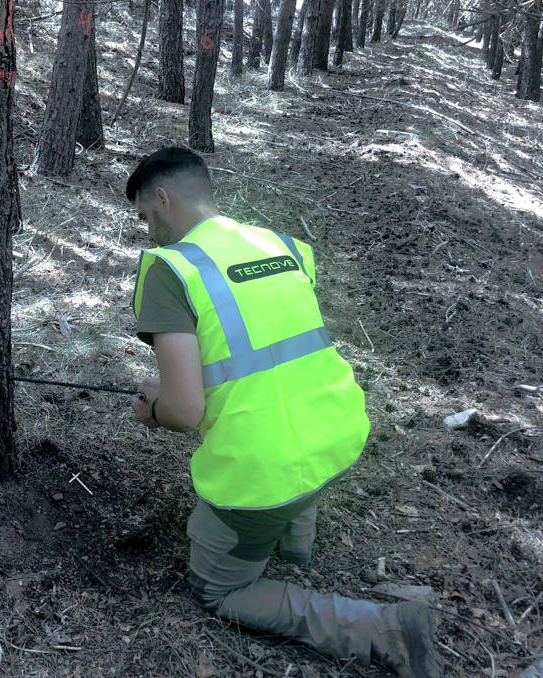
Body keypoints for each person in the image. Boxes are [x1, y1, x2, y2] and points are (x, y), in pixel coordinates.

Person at [126, 147, 443, 678]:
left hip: (262, 471)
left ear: (163, 197)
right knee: (289, 455)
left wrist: (153, 408)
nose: (148, 232)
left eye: (145, 217)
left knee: (220, 590)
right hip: (336, 432)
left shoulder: (170, 269)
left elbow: (183, 410)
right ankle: (295, 542)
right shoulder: (282, 245)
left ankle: (382, 628)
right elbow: (269, 358)